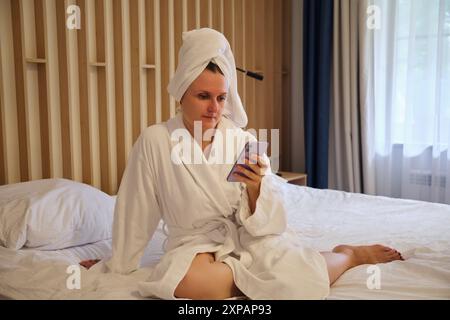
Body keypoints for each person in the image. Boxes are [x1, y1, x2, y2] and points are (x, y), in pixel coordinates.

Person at [80, 28, 403, 300]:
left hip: (246, 236)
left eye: (221, 98)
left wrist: (256, 187)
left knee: (299, 284)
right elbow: (135, 209)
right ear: (182, 95)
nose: (214, 109)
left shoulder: (242, 140)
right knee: (188, 283)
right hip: (193, 244)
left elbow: (269, 222)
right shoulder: (155, 140)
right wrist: (118, 264)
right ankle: (262, 278)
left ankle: (347, 255)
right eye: (203, 97)